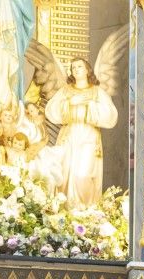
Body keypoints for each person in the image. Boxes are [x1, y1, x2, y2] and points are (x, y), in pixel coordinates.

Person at [45, 56, 117, 208]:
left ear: (87, 70)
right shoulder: (65, 91)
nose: (76, 70)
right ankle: (65, 211)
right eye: (73, 68)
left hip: (88, 137)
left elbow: (111, 116)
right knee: (64, 174)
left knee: (82, 175)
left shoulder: (96, 92)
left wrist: (89, 105)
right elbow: (51, 111)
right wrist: (68, 104)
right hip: (69, 136)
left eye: (79, 66)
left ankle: (85, 210)